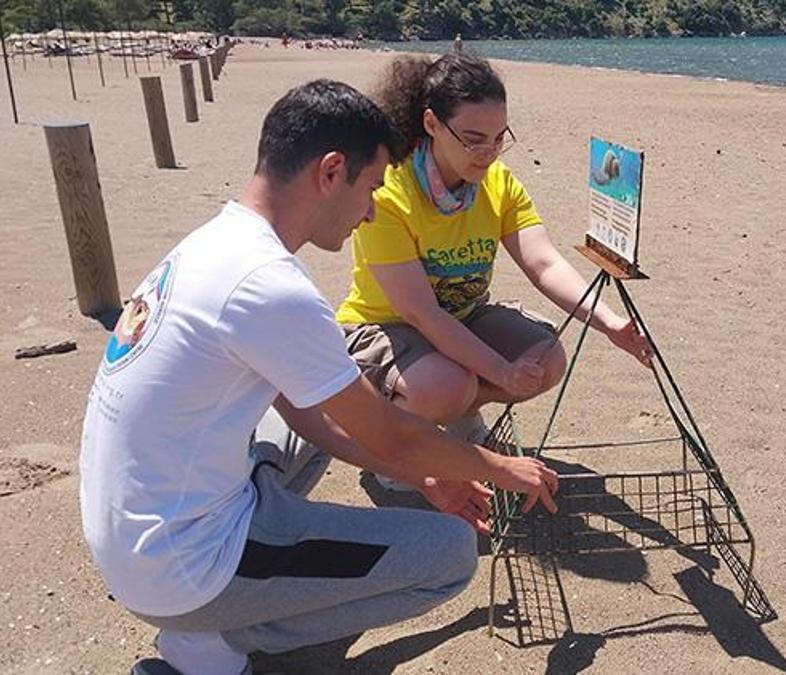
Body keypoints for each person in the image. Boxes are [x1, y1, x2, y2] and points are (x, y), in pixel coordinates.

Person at [79, 79, 559, 675]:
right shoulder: (268, 285)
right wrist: (501, 468)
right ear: (332, 172)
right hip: (185, 563)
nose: (373, 210)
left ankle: (216, 615)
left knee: (319, 407)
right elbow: (393, 435)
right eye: (371, 188)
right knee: (450, 556)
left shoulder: (216, 244)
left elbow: (310, 414)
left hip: (129, 532)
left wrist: (424, 475)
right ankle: (215, 640)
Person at [335, 53, 652, 485]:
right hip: (386, 325)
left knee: (544, 359)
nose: (487, 153)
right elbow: (420, 312)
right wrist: (500, 372)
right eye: (473, 139)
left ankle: (461, 421)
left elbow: (543, 263)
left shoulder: (498, 184)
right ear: (431, 123)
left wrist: (610, 323)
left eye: (498, 138)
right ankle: (394, 445)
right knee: (447, 386)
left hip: (463, 315)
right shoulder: (390, 191)